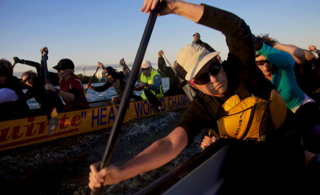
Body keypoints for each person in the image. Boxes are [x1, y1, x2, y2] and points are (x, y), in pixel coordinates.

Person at [88, 1, 305, 194]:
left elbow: (236, 27)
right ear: (193, 84)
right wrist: (123, 171)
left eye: (214, 67)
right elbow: (170, 144)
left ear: (219, 61)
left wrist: (175, 7)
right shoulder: (202, 107)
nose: (214, 78)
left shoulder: (241, 68)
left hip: (285, 137)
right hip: (248, 150)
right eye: (202, 78)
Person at [254, 36, 320, 142]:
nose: (265, 66)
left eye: (268, 61)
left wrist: (270, 44)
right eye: (260, 63)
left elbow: (300, 56)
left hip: (302, 107)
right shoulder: (256, 79)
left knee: (297, 127)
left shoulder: (283, 67)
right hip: (281, 118)